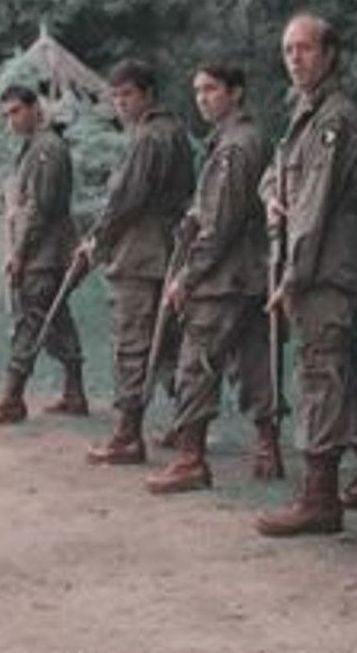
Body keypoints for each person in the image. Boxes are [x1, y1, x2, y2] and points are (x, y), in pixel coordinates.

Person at [254, 12, 357, 537]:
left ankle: (319, 500)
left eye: (306, 48)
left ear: (330, 53)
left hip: (325, 267)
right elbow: (275, 177)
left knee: (320, 371)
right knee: (345, 371)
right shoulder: (305, 115)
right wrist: (272, 197)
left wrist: (289, 280)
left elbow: (312, 211)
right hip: (322, 264)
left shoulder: (335, 119)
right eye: (287, 50)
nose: (295, 58)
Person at [143, 63, 281, 494]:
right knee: (256, 361)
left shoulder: (236, 146)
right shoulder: (240, 139)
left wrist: (187, 276)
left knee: (196, 363)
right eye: (198, 90)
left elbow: (221, 222)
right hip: (252, 273)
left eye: (212, 89)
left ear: (236, 92)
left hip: (225, 275)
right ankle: (268, 448)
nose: (203, 98)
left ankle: (191, 460)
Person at [75, 58, 195, 465]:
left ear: (148, 94)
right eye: (116, 96)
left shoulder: (149, 137)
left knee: (133, 345)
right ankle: (187, 425)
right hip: (166, 253)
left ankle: (128, 436)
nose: (121, 103)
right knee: (168, 347)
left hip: (140, 255)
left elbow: (125, 200)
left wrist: (96, 241)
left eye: (127, 94)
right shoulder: (174, 131)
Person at [0, 85, 87, 425]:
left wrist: (19, 253)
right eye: (6, 115)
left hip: (44, 252)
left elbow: (40, 209)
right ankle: (75, 393)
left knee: (29, 320)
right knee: (56, 319)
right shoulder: (35, 146)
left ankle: (12, 399)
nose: (11, 120)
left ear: (36, 108)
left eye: (16, 111)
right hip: (45, 251)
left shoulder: (46, 148)